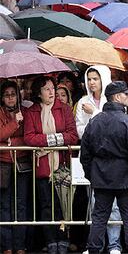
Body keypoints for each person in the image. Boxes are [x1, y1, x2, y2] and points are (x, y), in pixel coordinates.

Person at [80, 81, 128, 253]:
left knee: (99, 218)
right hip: (126, 179)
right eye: (126, 94)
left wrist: (93, 175)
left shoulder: (95, 121)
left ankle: (94, 250)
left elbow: (85, 154)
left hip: (102, 178)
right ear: (118, 97)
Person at [23, 76, 79, 254]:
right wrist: (57, 139)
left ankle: (63, 240)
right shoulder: (32, 112)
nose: (51, 92)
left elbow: (72, 135)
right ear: (39, 93)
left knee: (63, 204)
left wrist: (47, 141)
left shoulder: (64, 109)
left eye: (52, 89)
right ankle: (50, 240)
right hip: (43, 166)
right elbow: (29, 138)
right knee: (47, 205)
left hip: (62, 165)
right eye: (47, 89)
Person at [75, 65, 125, 254]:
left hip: (113, 160)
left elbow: (115, 127)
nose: (91, 82)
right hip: (92, 159)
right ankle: (94, 244)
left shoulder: (112, 100)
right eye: (89, 79)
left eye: (95, 78)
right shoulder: (82, 102)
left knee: (113, 206)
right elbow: (80, 130)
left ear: (103, 79)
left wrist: (94, 115)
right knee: (94, 204)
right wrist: (93, 122)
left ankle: (114, 244)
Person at [0, 81, 31, 254]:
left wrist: (12, 142)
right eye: (7, 94)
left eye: (13, 94)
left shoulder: (25, 112)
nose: (10, 97)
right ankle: (7, 246)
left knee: (21, 204)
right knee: (4, 204)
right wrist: (14, 124)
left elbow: (29, 137)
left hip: (22, 163)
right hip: (3, 163)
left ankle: (20, 245)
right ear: (2, 98)